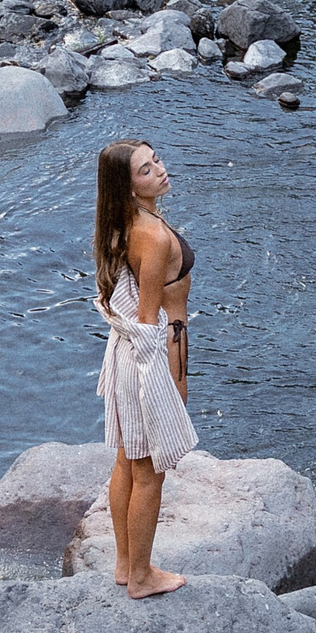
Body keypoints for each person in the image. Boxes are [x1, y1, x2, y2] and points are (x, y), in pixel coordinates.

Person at [94, 139, 196, 599]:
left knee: (127, 459)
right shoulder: (151, 237)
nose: (159, 170)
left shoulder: (121, 223)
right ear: (128, 187)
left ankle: (123, 564)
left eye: (156, 160)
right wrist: (172, 380)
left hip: (123, 352)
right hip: (151, 355)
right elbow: (150, 322)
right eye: (145, 170)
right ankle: (140, 577)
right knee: (150, 468)